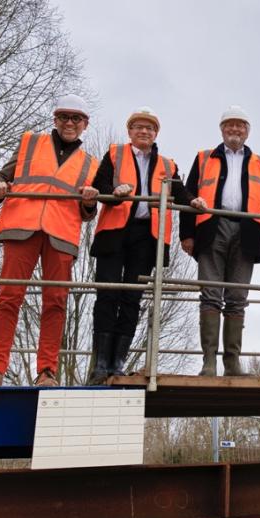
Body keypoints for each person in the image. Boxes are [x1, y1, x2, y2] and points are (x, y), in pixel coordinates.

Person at [0, 94, 100, 387]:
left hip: (61, 236)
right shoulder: (30, 144)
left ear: (85, 124)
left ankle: (47, 372)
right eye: (64, 117)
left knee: (56, 303)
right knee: (9, 298)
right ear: (55, 120)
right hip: (22, 228)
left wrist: (90, 202)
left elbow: (88, 211)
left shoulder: (91, 164)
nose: (69, 123)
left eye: (76, 119)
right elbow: (1, 177)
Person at [180, 105, 260, 376]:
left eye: (240, 125)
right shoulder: (204, 157)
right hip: (210, 230)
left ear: (247, 131)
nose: (234, 129)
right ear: (221, 129)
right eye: (229, 125)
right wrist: (187, 234)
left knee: (237, 298)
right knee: (210, 295)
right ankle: (209, 362)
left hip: (247, 232)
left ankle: (232, 363)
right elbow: (187, 195)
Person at [87, 107, 189, 384]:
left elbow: (181, 193)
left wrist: (195, 201)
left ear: (156, 134)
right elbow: (100, 186)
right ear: (130, 131)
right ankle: (101, 363)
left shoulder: (168, 164)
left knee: (132, 298)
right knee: (107, 294)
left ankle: (118, 361)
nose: (144, 132)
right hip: (114, 233)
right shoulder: (114, 154)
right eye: (138, 127)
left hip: (147, 237)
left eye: (149, 128)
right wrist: (114, 193)